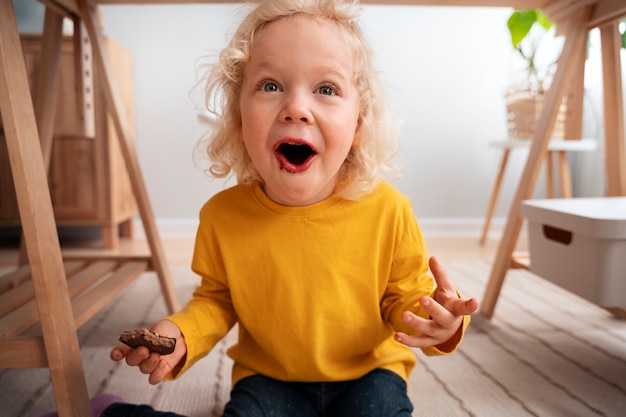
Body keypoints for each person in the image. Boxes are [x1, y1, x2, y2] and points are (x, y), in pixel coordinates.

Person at [41, 0, 478, 416]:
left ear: (358, 125)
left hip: (369, 373)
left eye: (326, 89)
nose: (296, 109)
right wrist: (179, 335)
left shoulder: (389, 210)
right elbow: (215, 302)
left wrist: (438, 319)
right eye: (270, 86)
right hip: (270, 377)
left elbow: (404, 299)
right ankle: (113, 413)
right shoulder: (222, 216)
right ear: (238, 121)